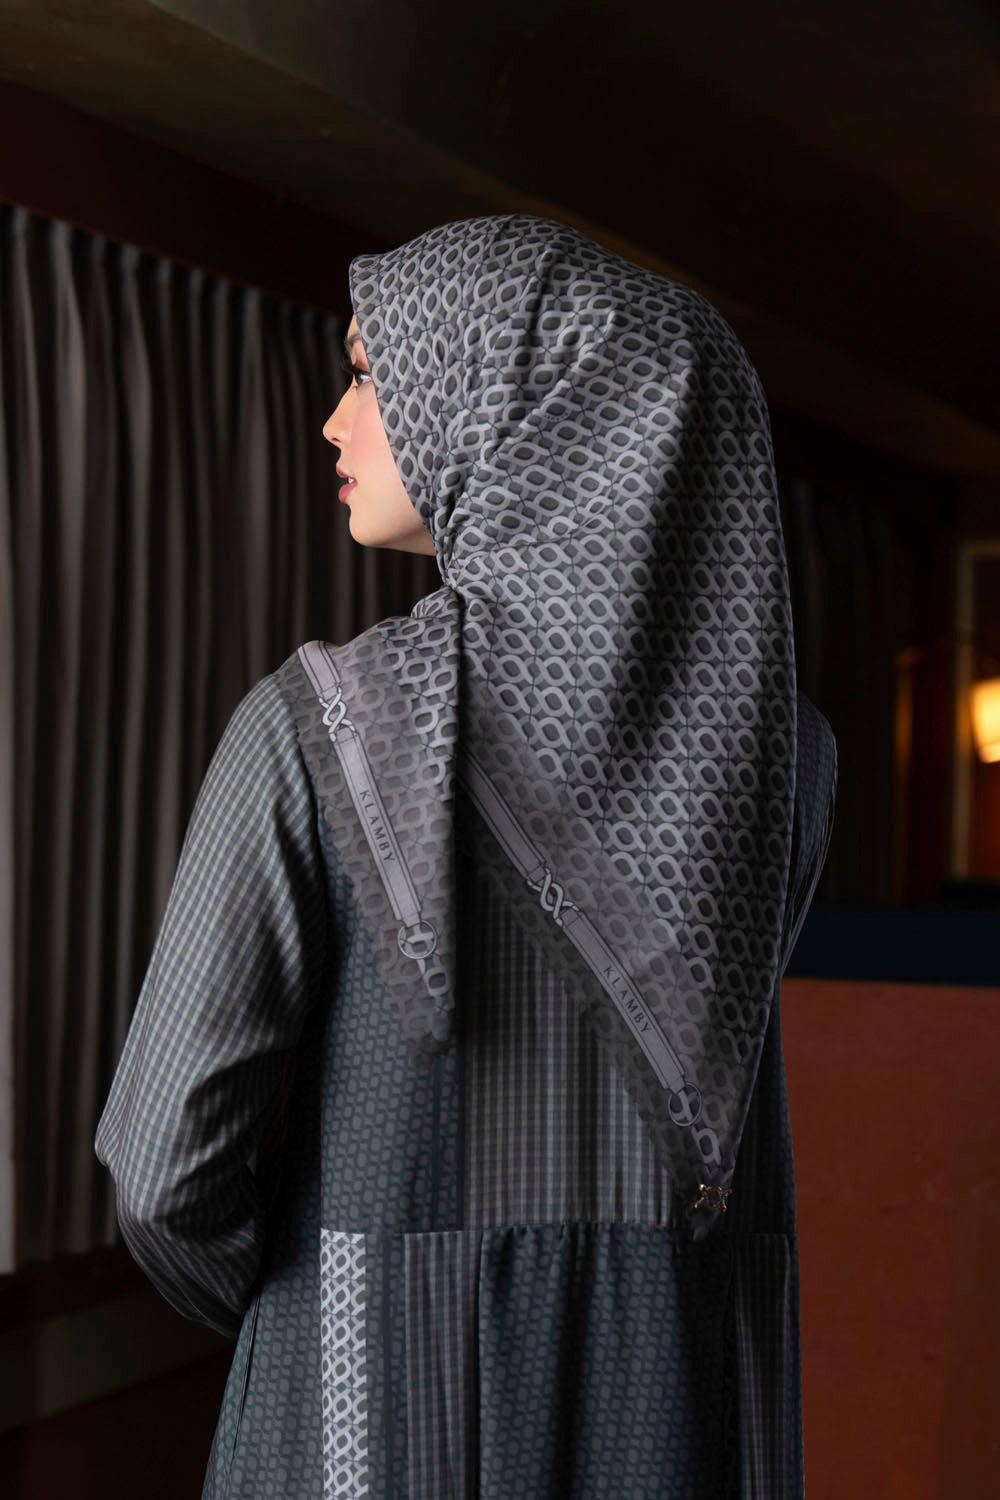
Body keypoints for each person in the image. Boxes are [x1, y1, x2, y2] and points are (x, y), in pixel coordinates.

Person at [96, 212, 837, 1498]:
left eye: (370, 375)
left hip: (370, 1416)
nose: (333, 421)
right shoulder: (788, 758)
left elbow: (166, 1171)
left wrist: (322, 1303)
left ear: (516, 406)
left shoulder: (316, 729)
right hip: (671, 1414)